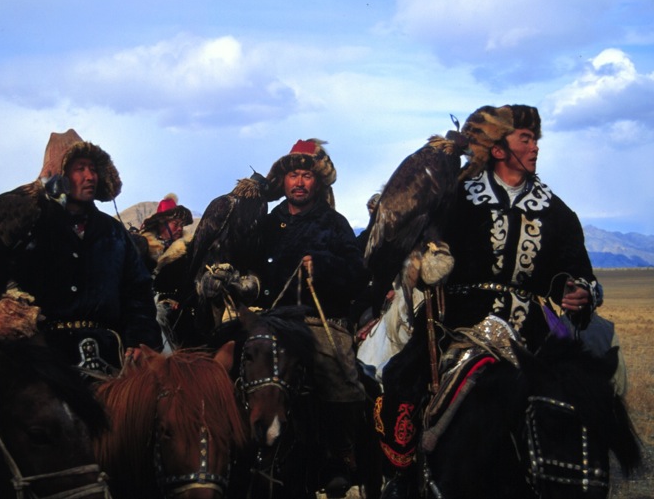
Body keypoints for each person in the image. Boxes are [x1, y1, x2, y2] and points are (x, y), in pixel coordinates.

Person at [377, 105, 601, 498]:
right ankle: (403, 478)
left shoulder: (556, 211)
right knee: (400, 378)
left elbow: (577, 270)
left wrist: (577, 290)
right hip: (458, 323)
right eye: (525, 139)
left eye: (535, 140)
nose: (535, 148)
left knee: (590, 389)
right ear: (498, 149)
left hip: (532, 331)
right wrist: (426, 262)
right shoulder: (455, 196)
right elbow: (414, 245)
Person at [0, 132, 162, 373]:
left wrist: (140, 339)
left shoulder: (113, 232)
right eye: (80, 169)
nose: (90, 176)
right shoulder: (30, 229)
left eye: (93, 169)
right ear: (60, 174)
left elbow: (138, 292)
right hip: (41, 362)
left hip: (110, 357)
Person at [256, 139, 369, 496]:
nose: (300, 182)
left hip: (318, 322)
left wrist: (323, 265)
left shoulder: (334, 223)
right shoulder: (266, 224)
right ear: (283, 181)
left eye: (307, 176)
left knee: (338, 373)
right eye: (294, 175)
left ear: (317, 182)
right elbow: (251, 267)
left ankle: (340, 455)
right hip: (271, 321)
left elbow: (358, 273)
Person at [137, 193, 193, 273]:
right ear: (162, 222)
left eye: (182, 225)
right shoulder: (141, 244)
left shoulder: (187, 252)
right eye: (176, 224)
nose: (180, 228)